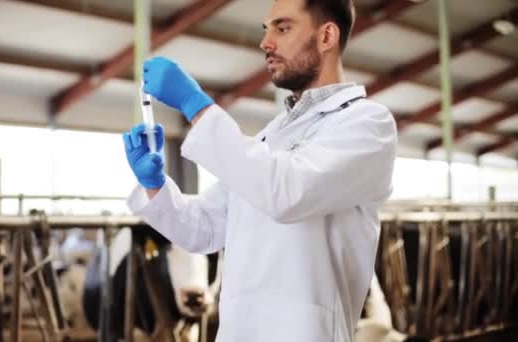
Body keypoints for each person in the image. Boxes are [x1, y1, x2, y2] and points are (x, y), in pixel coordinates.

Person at [123, 0, 397, 340]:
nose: (266, 43)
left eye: (282, 28)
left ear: (327, 36)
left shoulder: (367, 125)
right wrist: (155, 185)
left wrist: (197, 107)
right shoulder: (271, 136)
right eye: (265, 30)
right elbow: (202, 229)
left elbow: (288, 193)